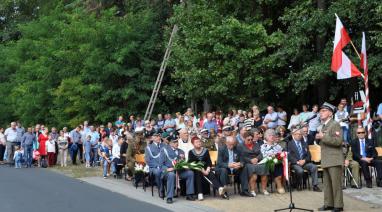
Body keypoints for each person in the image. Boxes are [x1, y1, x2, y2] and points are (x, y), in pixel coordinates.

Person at [316, 102, 344, 212]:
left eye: (323, 111)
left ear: (330, 113)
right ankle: (328, 204)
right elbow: (324, 141)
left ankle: (338, 205)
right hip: (326, 158)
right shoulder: (324, 126)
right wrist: (319, 138)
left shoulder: (335, 124)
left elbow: (338, 141)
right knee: (327, 184)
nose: (320, 113)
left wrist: (323, 137)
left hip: (334, 159)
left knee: (336, 184)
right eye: (320, 111)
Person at [159, 137, 196, 204]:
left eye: (177, 142)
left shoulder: (181, 151)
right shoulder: (164, 150)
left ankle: (189, 194)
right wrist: (167, 169)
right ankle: (169, 197)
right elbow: (161, 165)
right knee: (171, 175)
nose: (176, 143)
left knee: (190, 173)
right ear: (170, 143)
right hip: (169, 171)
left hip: (179, 171)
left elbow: (183, 162)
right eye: (174, 142)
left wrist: (185, 166)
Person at [238, 132, 268, 197]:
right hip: (248, 163)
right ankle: (252, 190)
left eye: (251, 139)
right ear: (244, 139)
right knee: (254, 176)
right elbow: (241, 156)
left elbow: (261, 154)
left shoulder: (256, 144)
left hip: (257, 161)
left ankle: (264, 189)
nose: (250, 141)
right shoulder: (240, 146)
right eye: (248, 140)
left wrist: (257, 158)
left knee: (264, 169)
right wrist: (250, 160)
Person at [261, 129, 286, 194]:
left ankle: (279, 186)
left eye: (273, 135)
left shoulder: (277, 146)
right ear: (266, 137)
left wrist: (279, 157)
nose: (272, 137)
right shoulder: (263, 146)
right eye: (269, 135)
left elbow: (281, 154)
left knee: (280, 164)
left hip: (277, 163)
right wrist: (271, 157)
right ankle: (279, 186)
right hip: (267, 164)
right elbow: (263, 156)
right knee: (273, 164)